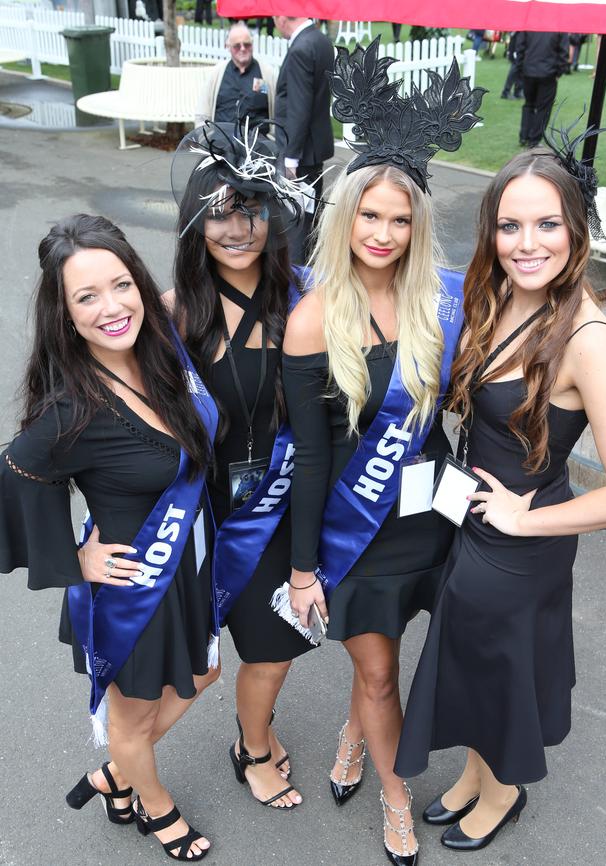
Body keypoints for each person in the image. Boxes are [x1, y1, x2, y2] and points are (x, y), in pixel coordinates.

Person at [395, 133, 606, 852]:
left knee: (497, 667)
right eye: (510, 225)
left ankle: (502, 791)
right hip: (473, 522)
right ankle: (477, 777)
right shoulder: (500, 294)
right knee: (476, 658)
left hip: (522, 538)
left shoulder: (588, 336)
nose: (526, 243)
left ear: (577, 230)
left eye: (546, 225)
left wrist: (520, 517)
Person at [280, 41, 484, 866]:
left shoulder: (441, 298)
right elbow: (313, 457)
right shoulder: (311, 316)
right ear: (346, 214)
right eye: (370, 215)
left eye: (401, 219)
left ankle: (357, 735)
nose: (385, 233)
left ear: (418, 223)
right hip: (356, 529)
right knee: (376, 674)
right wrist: (302, 569)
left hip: (429, 513)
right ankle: (396, 798)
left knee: (432, 656)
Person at [0, 214, 220, 861]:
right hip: (133, 591)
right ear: (65, 315)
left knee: (203, 674)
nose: (111, 306)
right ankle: (158, 810)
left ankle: (115, 779)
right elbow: (14, 472)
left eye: (120, 285)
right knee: (132, 718)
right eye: (86, 297)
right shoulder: (70, 407)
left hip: (182, 570)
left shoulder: (159, 357)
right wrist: (72, 557)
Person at [165, 120, 313, 810]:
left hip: (276, 507)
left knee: (274, 647)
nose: (237, 227)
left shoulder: (301, 301)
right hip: (198, 514)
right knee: (188, 666)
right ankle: (122, 767)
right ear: (196, 221)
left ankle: (252, 744)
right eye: (220, 211)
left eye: (250, 209)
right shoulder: (170, 317)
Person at [272, 15, 335, 263]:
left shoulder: (300, 48)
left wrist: (290, 158)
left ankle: (295, 281)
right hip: (314, 148)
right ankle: (308, 273)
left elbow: (299, 106)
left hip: (300, 152)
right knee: (310, 221)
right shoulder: (320, 40)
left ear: (281, 17)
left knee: (295, 224)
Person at [195, 21, 277, 129]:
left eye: (247, 44)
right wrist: (206, 138)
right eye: (237, 46)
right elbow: (202, 113)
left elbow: (279, 113)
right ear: (228, 47)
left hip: (258, 143)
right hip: (221, 143)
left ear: (252, 45)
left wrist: (272, 140)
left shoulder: (267, 74)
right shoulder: (216, 74)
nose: (242, 49)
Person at [516, 31, 570, 147]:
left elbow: (520, 46)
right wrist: (559, 71)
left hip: (533, 70)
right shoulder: (558, 26)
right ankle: (533, 139)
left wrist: (521, 67)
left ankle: (525, 136)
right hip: (545, 72)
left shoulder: (531, 24)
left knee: (530, 104)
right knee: (543, 107)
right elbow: (564, 51)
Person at [501, 32, 523, 99]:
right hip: (516, 47)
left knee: (521, 69)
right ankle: (506, 92)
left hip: (521, 45)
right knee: (514, 70)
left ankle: (518, 91)